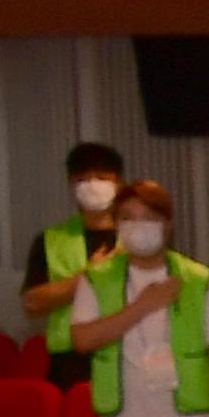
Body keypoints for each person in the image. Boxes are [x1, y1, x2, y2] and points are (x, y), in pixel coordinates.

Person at [69, 178, 209, 417]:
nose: (139, 226)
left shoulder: (199, 281)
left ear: (168, 225)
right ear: (116, 225)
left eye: (149, 217)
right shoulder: (96, 279)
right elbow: (82, 339)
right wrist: (142, 307)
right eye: (128, 218)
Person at [21, 141, 127, 390]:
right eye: (83, 179)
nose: (92, 186)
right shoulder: (51, 239)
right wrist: (87, 278)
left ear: (118, 183)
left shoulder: (140, 234)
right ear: (71, 184)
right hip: (70, 364)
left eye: (101, 177)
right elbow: (32, 302)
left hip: (128, 356)